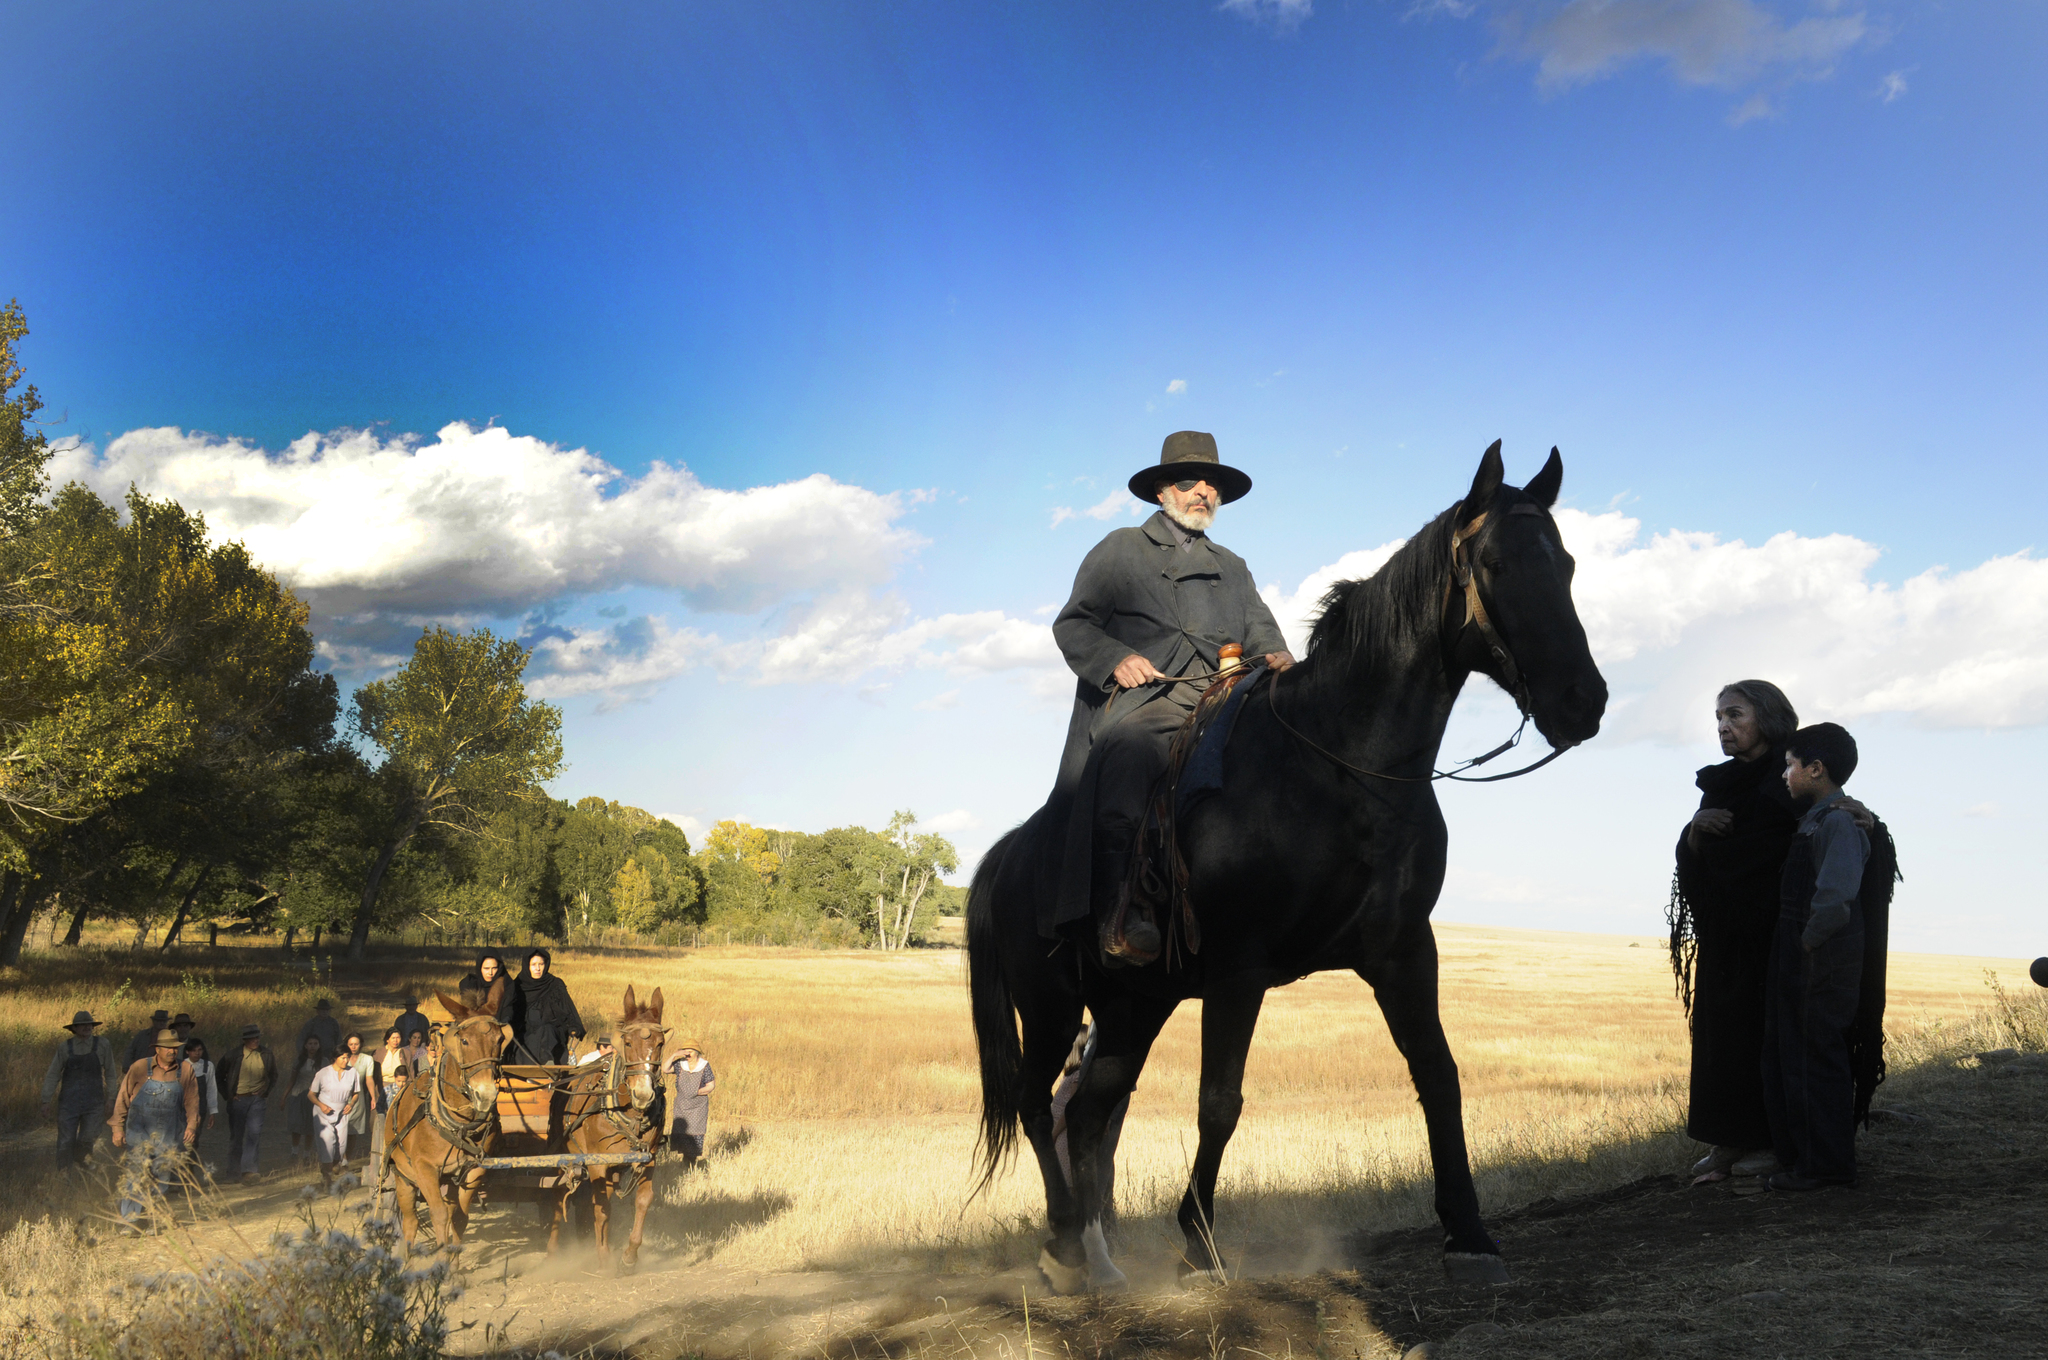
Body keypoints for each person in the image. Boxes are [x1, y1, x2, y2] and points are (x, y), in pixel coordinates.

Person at [1050, 431, 1292, 964]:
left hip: (1224, 699)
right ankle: (1123, 909)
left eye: (1213, 484)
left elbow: (1265, 637)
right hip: (1149, 699)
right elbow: (1074, 624)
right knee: (1136, 747)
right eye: (1189, 481)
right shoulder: (1120, 548)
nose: (1202, 491)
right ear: (1163, 490)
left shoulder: (1233, 565)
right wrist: (1117, 658)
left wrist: (1282, 662)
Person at [1762, 723, 1874, 1193]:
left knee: (1818, 1059)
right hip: (1808, 955)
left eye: (1791, 765)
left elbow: (1834, 897)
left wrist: (1807, 943)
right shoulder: (1818, 819)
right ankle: (1809, 1162)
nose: (1785, 775)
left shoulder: (1838, 822)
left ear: (1816, 769)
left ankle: (1825, 1168)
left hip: (1821, 958)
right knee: (1800, 1057)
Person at [108, 1029, 201, 1231]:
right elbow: (122, 1097)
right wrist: (117, 1127)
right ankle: (130, 1221)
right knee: (135, 1173)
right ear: (157, 1049)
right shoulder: (140, 1067)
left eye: (175, 1048)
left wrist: (192, 1126)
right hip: (139, 1131)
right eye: (168, 1047)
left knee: (162, 1176)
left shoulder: (185, 1070)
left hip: (168, 1133)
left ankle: (152, 1219)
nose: (172, 1051)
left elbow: (192, 1101)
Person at [42, 1010, 119, 1166]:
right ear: (74, 1028)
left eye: (89, 1024)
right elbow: (53, 1074)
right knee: (65, 1140)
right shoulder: (65, 1047)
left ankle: (83, 1169)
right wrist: (45, 1100)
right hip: (68, 1104)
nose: (86, 1027)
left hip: (94, 1103)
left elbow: (111, 1073)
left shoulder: (103, 1044)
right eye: (82, 1025)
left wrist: (111, 1099)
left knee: (88, 1138)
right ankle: (64, 1175)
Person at [217, 1024, 277, 1181]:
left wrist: (266, 1092)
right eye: (252, 1038)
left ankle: (249, 1170)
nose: (255, 1040)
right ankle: (233, 1172)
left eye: (257, 1037)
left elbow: (274, 1075)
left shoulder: (266, 1054)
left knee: (254, 1134)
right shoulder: (233, 1055)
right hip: (238, 1099)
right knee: (237, 1136)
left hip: (257, 1100)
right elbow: (219, 1076)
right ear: (245, 1040)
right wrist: (228, 1095)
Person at [507, 949, 584, 1064]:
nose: (538, 969)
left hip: (552, 1033)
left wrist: (574, 1027)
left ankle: (548, 1063)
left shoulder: (555, 985)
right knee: (526, 1040)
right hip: (525, 1034)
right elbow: (508, 1011)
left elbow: (568, 1009)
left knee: (546, 1030)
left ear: (546, 965)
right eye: (533, 965)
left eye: (541, 964)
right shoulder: (516, 986)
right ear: (526, 965)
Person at [307, 1042, 362, 1188]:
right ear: (335, 1058)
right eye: (343, 1058)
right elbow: (311, 1094)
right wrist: (321, 1105)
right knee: (327, 1144)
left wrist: (351, 1104)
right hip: (323, 1113)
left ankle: (333, 1165)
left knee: (341, 1146)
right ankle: (326, 1177)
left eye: (348, 1058)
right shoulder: (323, 1073)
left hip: (342, 1113)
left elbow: (356, 1093)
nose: (346, 1061)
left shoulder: (353, 1073)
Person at [665, 1042, 715, 1171]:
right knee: (682, 1132)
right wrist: (674, 1055)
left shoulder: (704, 1066)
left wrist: (696, 1092)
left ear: (696, 1052)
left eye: (690, 1051)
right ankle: (685, 1164)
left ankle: (691, 1163)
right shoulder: (680, 1064)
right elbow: (665, 1069)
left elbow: (711, 1086)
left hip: (698, 1107)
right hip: (682, 1105)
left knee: (694, 1133)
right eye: (685, 1051)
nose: (687, 1054)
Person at [281, 1034, 326, 1167]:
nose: (312, 1046)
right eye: (310, 1044)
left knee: (310, 1126)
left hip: (315, 1097)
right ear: (306, 1046)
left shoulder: (323, 1061)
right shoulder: (299, 1060)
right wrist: (283, 1097)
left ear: (319, 1046)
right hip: (298, 1094)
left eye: (315, 1044)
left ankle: (307, 1154)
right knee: (296, 1124)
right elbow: (292, 1080)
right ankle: (294, 1152)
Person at [181, 1038, 220, 1168]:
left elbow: (211, 1089)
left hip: (200, 1109)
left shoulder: (207, 1066)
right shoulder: (181, 1066)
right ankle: (178, 1173)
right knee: (180, 1139)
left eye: (200, 1050)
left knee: (193, 1139)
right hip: (182, 1109)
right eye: (193, 1050)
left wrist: (212, 1111)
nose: (197, 1053)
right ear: (187, 1052)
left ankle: (189, 1172)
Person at [343, 1033, 378, 1161]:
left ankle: (347, 1158)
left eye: (356, 1044)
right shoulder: (342, 1058)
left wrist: (373, 1097)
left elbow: (369, 1079)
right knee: (341, 1128)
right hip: (342, 1096)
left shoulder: (367, 1059)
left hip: (358, 1096)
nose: (353, 1047)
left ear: (361, 1044)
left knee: (353, 1131)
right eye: (351, 1044)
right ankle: (340, 1156)